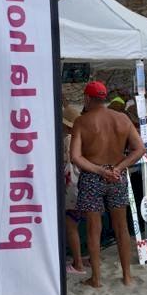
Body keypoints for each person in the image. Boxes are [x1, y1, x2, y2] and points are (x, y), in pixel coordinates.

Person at [70, 81, 146, 288]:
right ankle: (127, 276)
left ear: (87, 98)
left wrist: (99, 170)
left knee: (94, 230)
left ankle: (96, 278)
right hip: (117, 175)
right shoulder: (122, 118)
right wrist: (118, 168)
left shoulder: (82, 122)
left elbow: (75, 156)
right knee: (121, 227)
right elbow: (140, 149)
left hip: (93, 176)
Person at [61, 105, 86, 275]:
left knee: (71, 225)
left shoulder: (68, 139)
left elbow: (66, 161)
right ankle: (83, 258)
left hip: (71, 186)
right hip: (82, 183)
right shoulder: (82, 137)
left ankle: (78, 263)